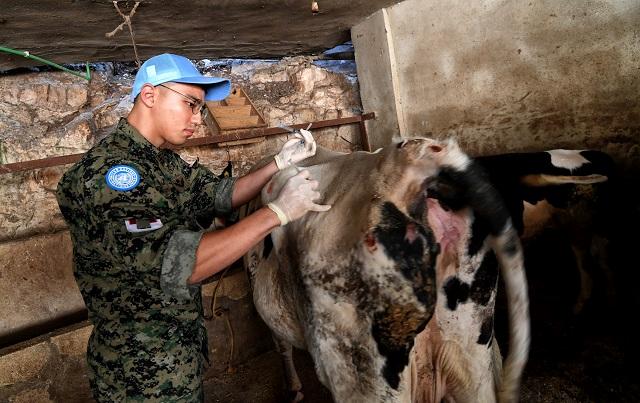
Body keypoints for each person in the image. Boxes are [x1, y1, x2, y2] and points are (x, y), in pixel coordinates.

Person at [56, 53, 331, 402]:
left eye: (199, 109)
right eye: (190, 104)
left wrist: (278, 163)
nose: (198, 120)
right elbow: (181, 263)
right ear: (150, 96)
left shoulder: (160, 161)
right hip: (138, 373)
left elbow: (221, 195)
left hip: (177, 353)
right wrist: (278, 212)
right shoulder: (111, 176)